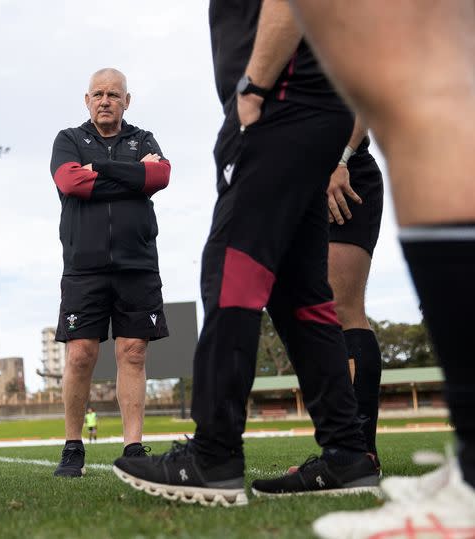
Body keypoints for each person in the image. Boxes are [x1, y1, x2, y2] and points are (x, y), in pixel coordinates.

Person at [113, 0, 379, 505]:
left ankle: (214, 454)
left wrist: (253, 87)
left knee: (232, 268)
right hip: (313, 112)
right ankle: (347, 452)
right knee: (300, 296)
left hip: (281, 106)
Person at [284, 1, 475, 536]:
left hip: (341, 169)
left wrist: (340, 159)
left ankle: (360, 451)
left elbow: (367, 75)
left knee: (423, 84)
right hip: (307, 170)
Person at [49, 67, 171, 478]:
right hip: (84, 267)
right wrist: (133, 175)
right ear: (87, 100)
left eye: (114, 95)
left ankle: (133, 448)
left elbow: (161, 175)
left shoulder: (143, 139)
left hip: (138, 264)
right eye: (98, 93)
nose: (106, 100)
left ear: (126, 101)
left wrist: (100, 170)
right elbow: (69, 181)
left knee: (133, 352)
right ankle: (72, 447)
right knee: (80, 355)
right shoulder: (68, 139)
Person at [326, 117, 384, 458]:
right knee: (312, 316)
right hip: (298, 182)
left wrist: (340, 160)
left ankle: (359, 452)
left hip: (341, 176)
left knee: (340, 308)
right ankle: (339, 447)